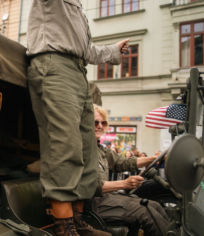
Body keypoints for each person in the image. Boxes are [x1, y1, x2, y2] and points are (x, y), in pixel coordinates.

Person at [26, 0, 129, 235]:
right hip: (54, 65)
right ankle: (64, 226)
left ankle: (77, 219)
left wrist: (113, 50)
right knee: (65, 146)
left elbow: (86, 50)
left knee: (86, 150)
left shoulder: (78, 9)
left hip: (78, 71)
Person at [93, 104, 170, 236]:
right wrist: (124, 183)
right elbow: (89, 186)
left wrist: (153, 158)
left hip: (106, 198)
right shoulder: (82, 150)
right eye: (95, 122)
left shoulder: (100, 149)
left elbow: (122, 162)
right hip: (93, 204)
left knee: (155, 206)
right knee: (146, 212)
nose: (100, 126)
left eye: (103, 123)